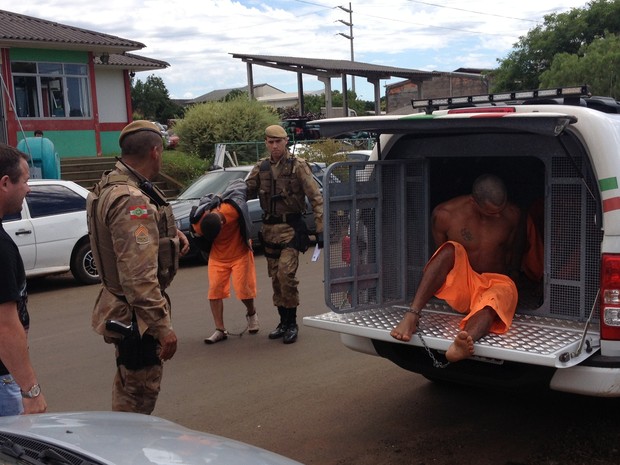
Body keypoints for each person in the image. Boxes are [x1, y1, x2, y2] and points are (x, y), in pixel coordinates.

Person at [87, 120, 189, 414]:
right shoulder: (132, 201)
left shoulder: (110, 184)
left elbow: (118, 239)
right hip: (137, 318)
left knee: (128, 384)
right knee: (138, 397)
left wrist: (168, 236)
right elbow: (138, 278)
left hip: (122, 308)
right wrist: (162, 326)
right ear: (156, 152)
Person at [390, 174, 522, 362]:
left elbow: (513, 250)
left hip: (496, 283)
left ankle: (462, 343)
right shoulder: (445, 215)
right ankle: (412, 315)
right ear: (473, 202)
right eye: (492, 212)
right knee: (450, 249)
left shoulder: (513, 215)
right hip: (465, 283)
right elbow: (441, 259)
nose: (499, 215)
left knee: (492, 302)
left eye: (501, 209)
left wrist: (516, 276)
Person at [246, 124, 324, 344]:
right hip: (269, 231)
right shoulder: (260, 168)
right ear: (265, 143)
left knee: (286, 276)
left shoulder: (297, 166)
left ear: (286, 141)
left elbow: (316, 198)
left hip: (291, 229)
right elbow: (245, 191)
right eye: (270, 142)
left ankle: (292, 323)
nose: (274, 146)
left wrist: (321, 230)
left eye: (278, 141)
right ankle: (283, 321)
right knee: (276, 280)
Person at [0, 143, 47, 415]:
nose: (28, 189)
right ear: (5, 183)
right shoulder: (1, 248)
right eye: (26, 181)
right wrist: (30, 390)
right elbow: (5, 326)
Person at [189, 178, 259, 344]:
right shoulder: (199, 223)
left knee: (244, 290)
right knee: (214, 292)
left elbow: (240, 193)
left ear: (222, 222)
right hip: (218, 257)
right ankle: (220, 329)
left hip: (240, 252)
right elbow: (196, 233)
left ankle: (252, 314)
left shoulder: (231, 211)